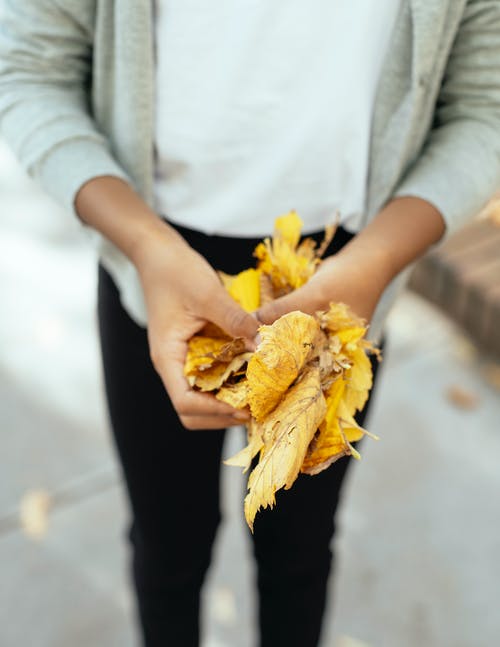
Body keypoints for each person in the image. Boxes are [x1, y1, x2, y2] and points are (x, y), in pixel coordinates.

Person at [1, 2, 499, 645]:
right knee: (166, 546)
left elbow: (484, 105)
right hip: (157, 262)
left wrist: (374, 265)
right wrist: (146, 248)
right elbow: (31, 70)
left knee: (300, 550)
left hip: (344, 274)